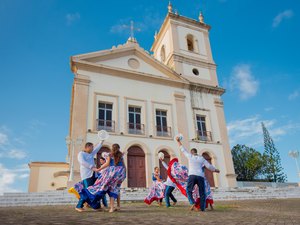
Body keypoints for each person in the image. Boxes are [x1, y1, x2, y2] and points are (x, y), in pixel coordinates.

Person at [175, 136, 220, 212]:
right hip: (200, 176)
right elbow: (209, 166)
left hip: (192, 175)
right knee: (202, 192)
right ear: (196, 152)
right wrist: (215, 170)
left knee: (188, 190)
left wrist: (178, 141)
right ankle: (202, 208)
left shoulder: (190, 156)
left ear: (191, 152)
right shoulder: (201, 158)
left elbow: (183, 150)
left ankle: (192, 202)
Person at [80, 143, 126, 213]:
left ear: (112, 148)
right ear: (119, 148)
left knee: (108, 188)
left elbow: (107, 164)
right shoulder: (121, 155)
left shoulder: (110, 155)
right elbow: (124, 165)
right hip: (121, 173)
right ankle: (116, 206)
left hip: (112, 173)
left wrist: (99, 169)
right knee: (115, 189)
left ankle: (111, 208)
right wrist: (124, 174)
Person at [75, 140, 104, 212]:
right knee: (87, 191)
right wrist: (92, 167)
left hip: (94, 175)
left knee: (96, 190)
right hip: (86, 175)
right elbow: (82, 162)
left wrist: (101, 141)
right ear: (87, 147)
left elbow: (97, 149)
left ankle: (96, 207)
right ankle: (79, 206)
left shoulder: (91, 154)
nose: (92, 149)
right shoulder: (81, 154)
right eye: (91, 147)